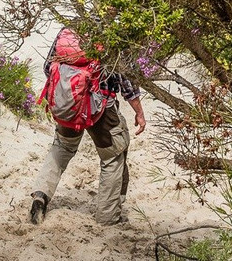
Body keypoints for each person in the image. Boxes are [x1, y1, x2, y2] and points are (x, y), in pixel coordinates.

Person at [29, 27, 146, 226]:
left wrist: (70, 89)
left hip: (68, 103)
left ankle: (40, 195)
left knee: (62, 146)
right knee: (113, 156)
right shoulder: (114, 33)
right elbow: (126, 80)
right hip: (100, 108)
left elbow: (48, 67)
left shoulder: (68, 29)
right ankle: (108, 217)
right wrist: (139, 112)